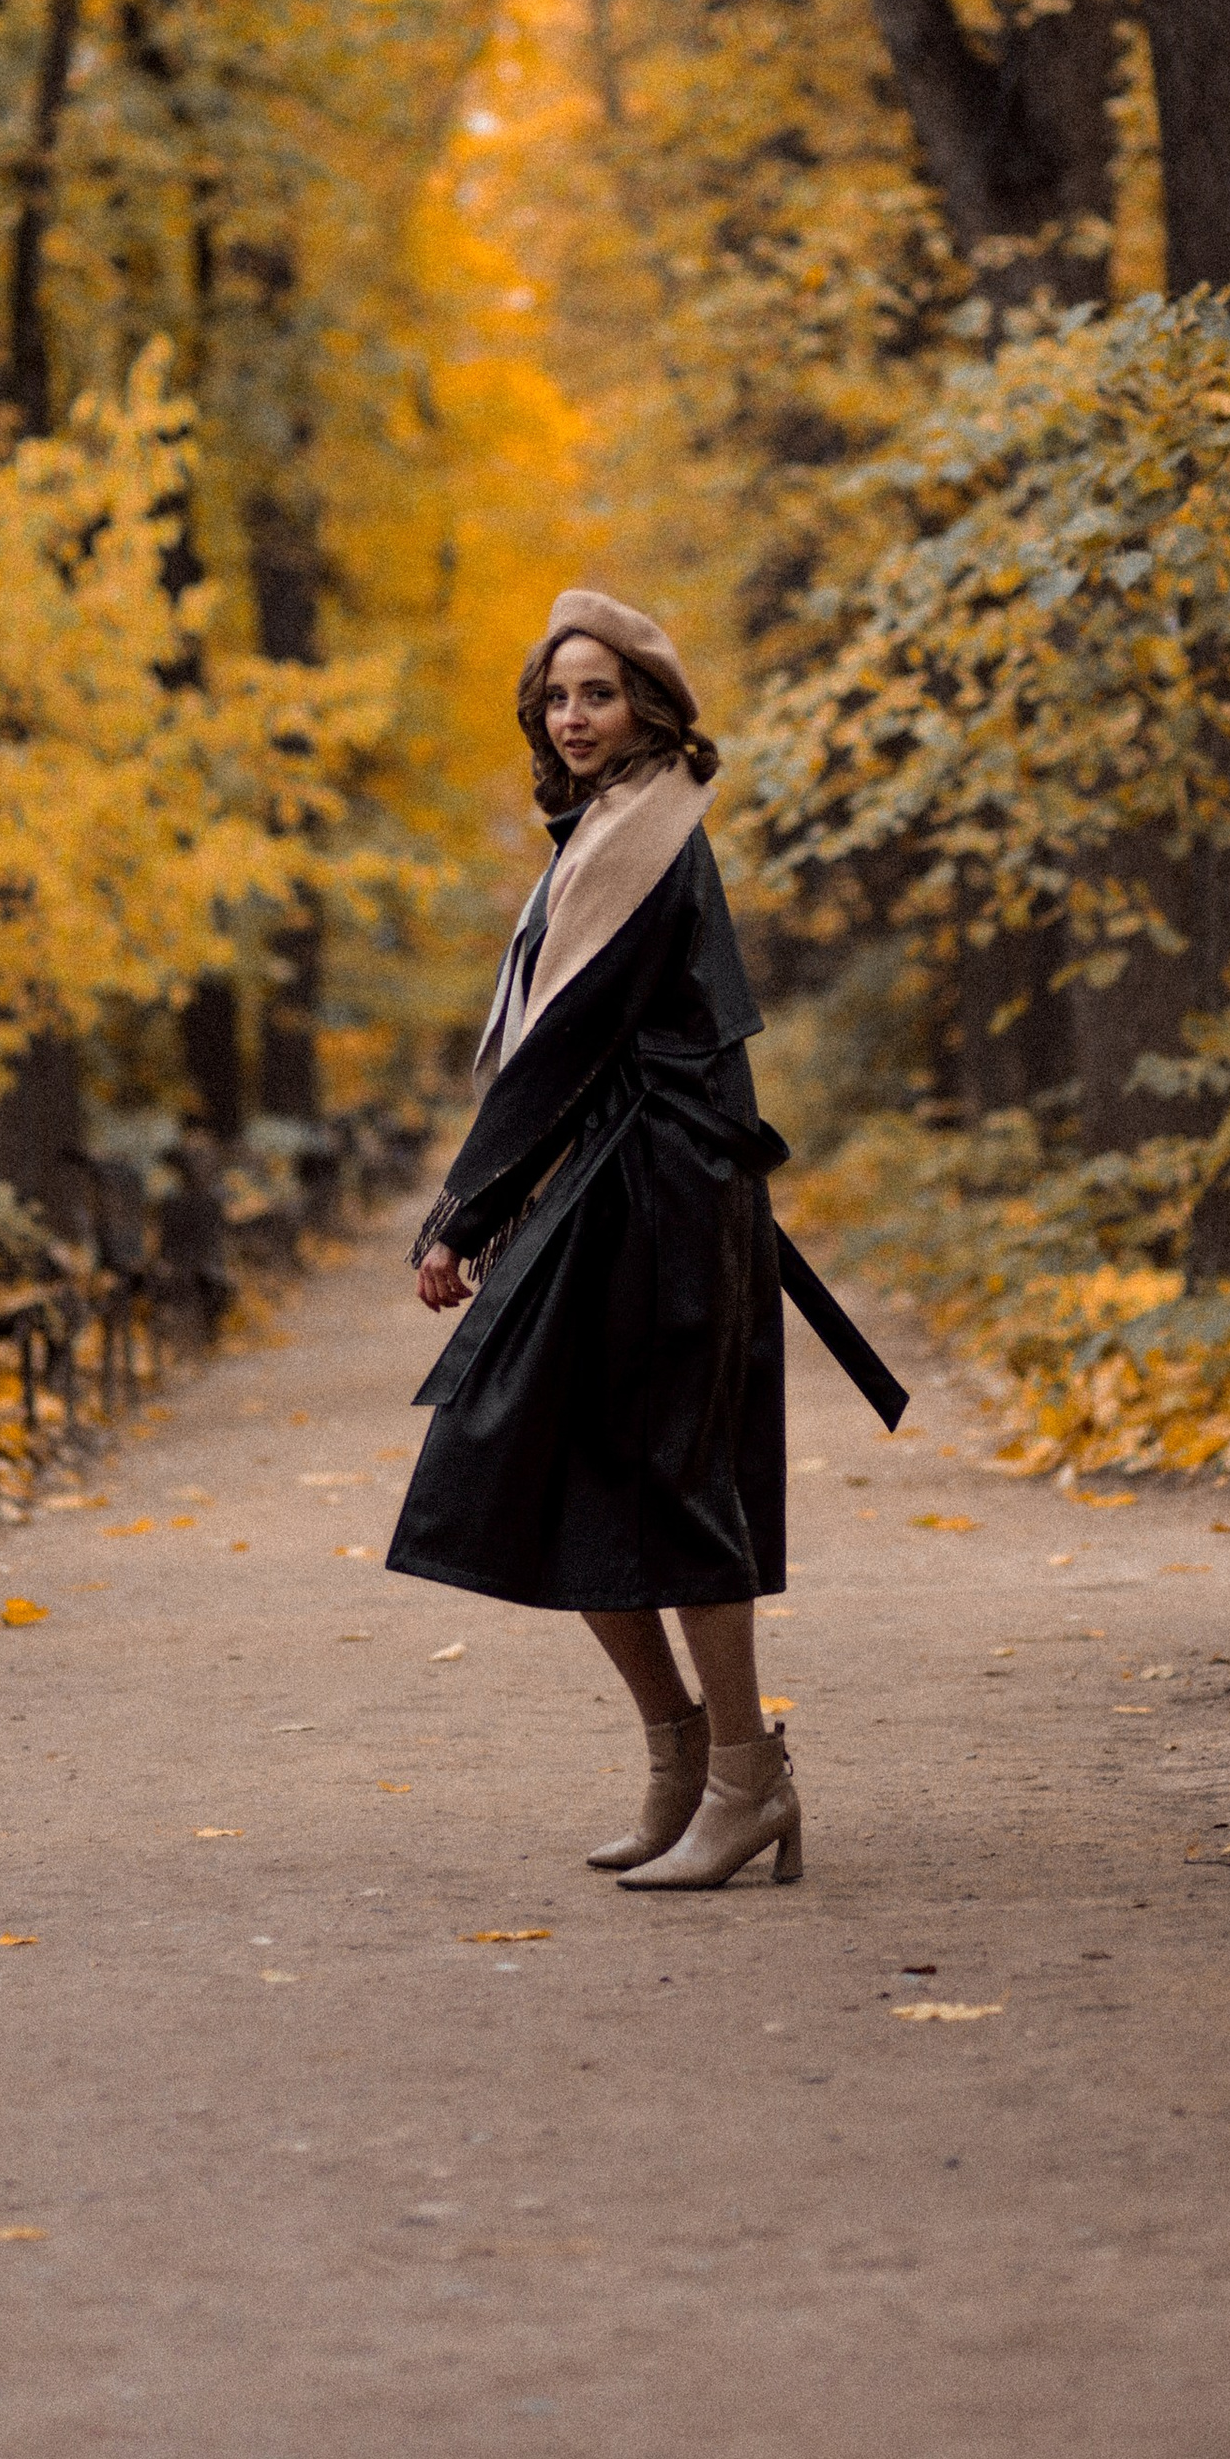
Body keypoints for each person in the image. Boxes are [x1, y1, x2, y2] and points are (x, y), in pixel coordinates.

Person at [385, 585, 799, 1889]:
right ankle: (684, 1756)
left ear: (647, 709)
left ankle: (744, 1777)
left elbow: (567, 1044)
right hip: (610, 1188)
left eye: (598, 693)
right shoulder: (600, 831)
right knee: (555, 1472)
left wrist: (466, 1211)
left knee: (673, 1485)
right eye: (558, 695)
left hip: (665, 1201)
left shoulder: (649, 834)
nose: (573, 715)